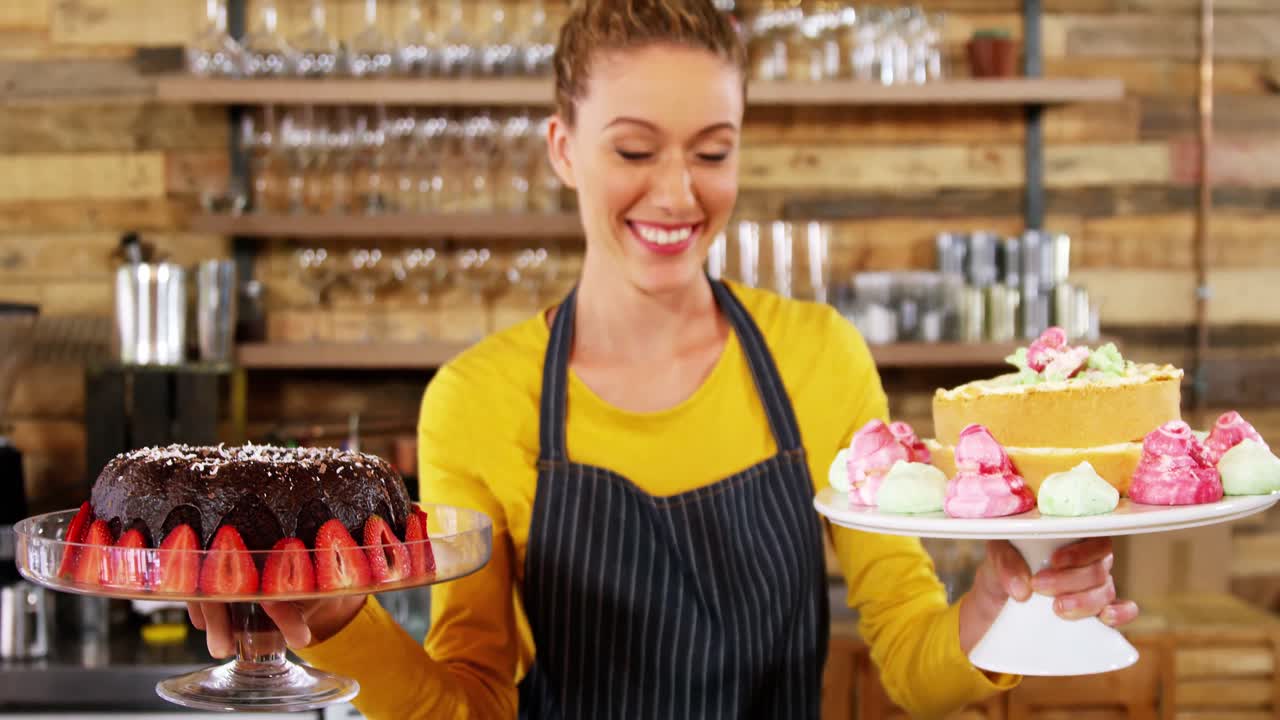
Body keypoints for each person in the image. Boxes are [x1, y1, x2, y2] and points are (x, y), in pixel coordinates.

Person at [190, 1, 1138, 717]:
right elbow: (472, 699)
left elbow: (908, 654)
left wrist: (1003, 603)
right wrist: (345, 620)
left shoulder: (817, 357)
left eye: (713, 153)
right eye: (635, 149)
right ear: (564, 150)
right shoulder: (480, 399)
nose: (678, 194)